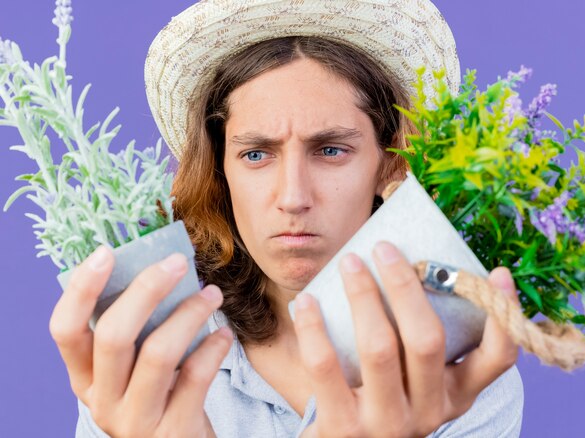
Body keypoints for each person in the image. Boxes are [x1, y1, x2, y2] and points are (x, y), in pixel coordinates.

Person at [49, 1, 524, 437]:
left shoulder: (457, 372)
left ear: (391, 165)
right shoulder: (145, 356)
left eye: (331, 150)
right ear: (221, 172)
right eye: (256, 154)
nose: (293, 198)